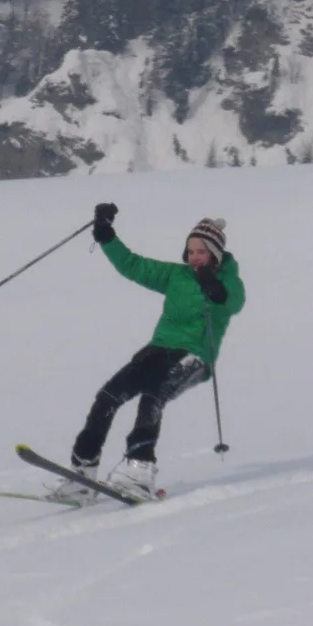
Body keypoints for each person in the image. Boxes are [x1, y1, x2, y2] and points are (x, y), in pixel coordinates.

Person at [59, 204, 246, 501]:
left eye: (202, 251)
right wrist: (106, 235)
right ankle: (82, 472)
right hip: (158, 350)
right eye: (191, 250)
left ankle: (140, 469)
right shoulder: (177, 275)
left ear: (216, 254)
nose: (195, 257)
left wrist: (216, 288)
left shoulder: (227, 281)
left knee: (153, 397)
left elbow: (234, 302)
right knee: (108, 395)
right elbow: (133, 265)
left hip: (194, 356)